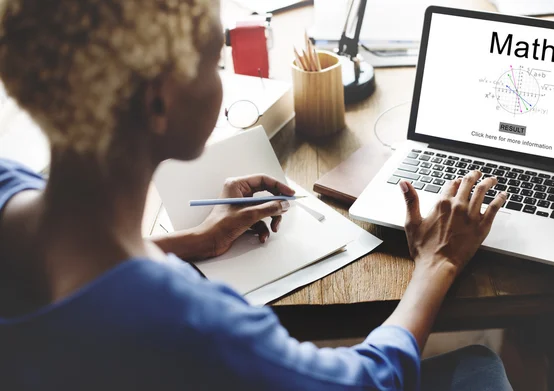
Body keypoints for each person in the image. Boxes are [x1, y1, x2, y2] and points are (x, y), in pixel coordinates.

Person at [0, 0, 513, 390]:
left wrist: (193, 242)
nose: (223, 77)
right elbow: (364, 381)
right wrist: (437, 263)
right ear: (158, 101)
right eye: (213, 62)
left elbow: (76, 276)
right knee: (480, 368)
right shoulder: (191, 323)